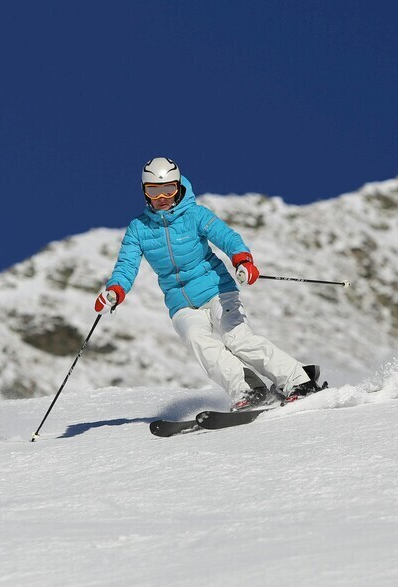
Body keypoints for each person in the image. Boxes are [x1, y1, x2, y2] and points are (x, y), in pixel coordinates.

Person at [94, 157, 318, 410]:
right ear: (144, 192)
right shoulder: (138, 228)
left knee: (237, 338)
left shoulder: (195, 214)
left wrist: (243, 260)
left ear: (179, 188)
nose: (162, 197)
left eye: (169, 189)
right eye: (154, 190)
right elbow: (126, 265)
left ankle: (300, 380)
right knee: (199, 343)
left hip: (217, 291)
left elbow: (226, 236)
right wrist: (114, 291)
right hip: (181, 303)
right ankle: (249, 388)